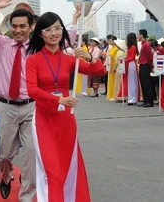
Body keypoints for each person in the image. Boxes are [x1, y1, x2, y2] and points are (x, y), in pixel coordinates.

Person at [26, 11, 106, 202]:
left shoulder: (69, 59)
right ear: (40, 34)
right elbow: (32, 90)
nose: (54, 33)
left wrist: (89, 56)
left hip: (66, 120)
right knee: (52, 171)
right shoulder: (33, 60)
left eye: (57, 28)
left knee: (68, 168)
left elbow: (100, 71)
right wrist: (58, 100)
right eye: (48, 29)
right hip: (44, 120)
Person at [0, 0, 36, 201]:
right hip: (7, 107)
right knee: (4, 154)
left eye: (23, 26)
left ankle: (27, 196)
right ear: (10, 27)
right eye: (15, 26)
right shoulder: (1, 44)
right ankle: (7, 176)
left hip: (31, 107)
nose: (18, 30)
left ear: (31, 27)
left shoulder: (37, 49)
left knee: (31, 154)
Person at [137, 29, 154, 107]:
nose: (138, 36)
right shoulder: (143, 44)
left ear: (141, 35)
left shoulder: (146, 44)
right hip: (142, 65)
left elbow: (149, 57)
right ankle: (145, 100)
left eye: (138, 34)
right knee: (143, 83)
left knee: (146, 84)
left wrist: (151, 66)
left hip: (145, 65)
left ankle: (149, 101)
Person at [126, 33, 140, 105]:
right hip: (130, 64)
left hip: (131, 64)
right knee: (131, 81)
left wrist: (126, 60)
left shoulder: (133, 47)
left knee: (132, 81)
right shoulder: (132, 47)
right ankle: (131, 97)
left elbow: (131, 57)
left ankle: (133, 98)